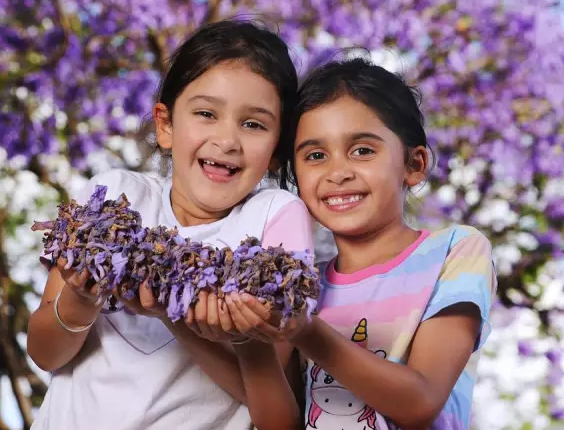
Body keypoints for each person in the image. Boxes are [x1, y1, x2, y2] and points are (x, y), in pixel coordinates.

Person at [27, 19, 313, 430]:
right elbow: (44, 353)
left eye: (254, 124)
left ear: (276, 149)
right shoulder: (113, 195)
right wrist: (80, 298)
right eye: (205, 113)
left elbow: (271, 408)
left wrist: (174, 315)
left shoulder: (274, 216)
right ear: (165, 125)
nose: (227, 139)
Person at [213, 56, 497, 430]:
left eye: (362, 150)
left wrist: (303, 330)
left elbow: (422, 401)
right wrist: (243, 336)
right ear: (296, 178)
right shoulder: (299, 285)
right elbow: (277, 417)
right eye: (315, 156)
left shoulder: (454, 251)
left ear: (414, 164)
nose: (338, 173)